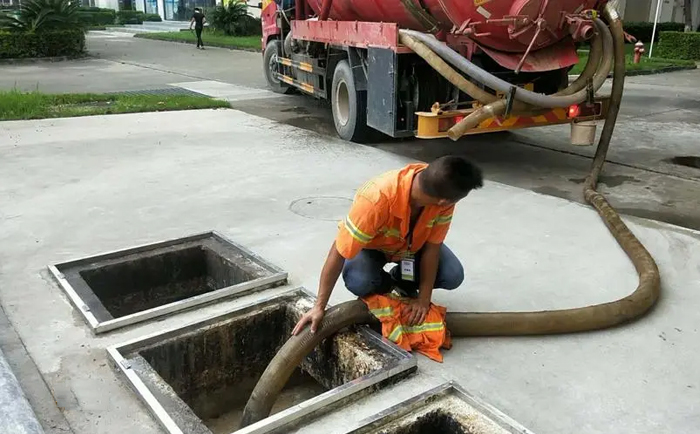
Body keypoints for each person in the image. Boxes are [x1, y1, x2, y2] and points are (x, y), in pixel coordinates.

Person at [292, 156, 483, 336]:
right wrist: (319, 306)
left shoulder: (441, 193)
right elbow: (339, 251)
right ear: (444, 201)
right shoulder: (376, 199)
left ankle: (402, 282)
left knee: (452, 274)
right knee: (360, 280)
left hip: (413, 248)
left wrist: (423, 300)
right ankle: (387, 285)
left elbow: (432, 248)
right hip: (373, 250)